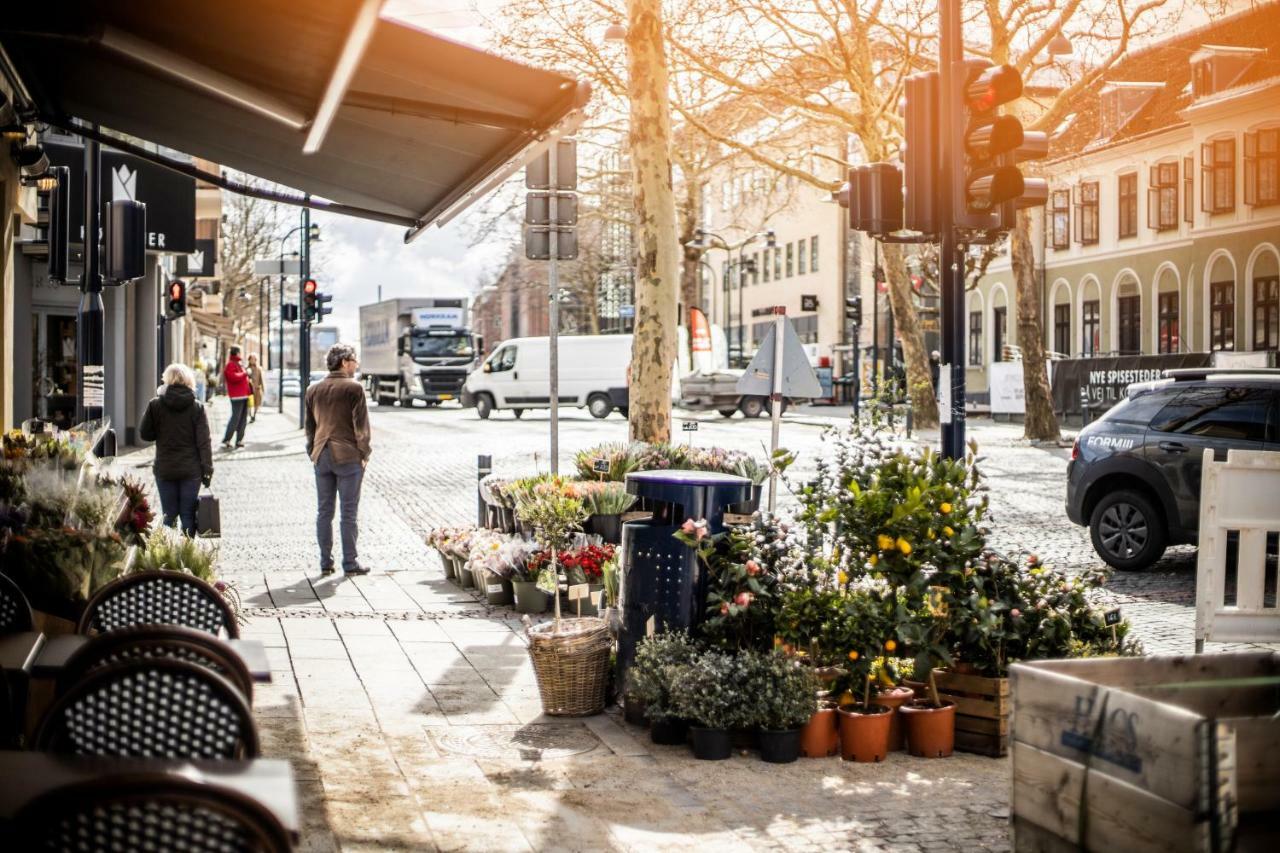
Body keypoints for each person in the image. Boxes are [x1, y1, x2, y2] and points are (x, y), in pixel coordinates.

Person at [305, 343, 372, 576]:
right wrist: (364, 454)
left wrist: (313, 453)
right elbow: (361, 428)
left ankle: (325, 562)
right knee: (349, 512)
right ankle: (350, 563)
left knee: (324, 511)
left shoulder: (313, 390)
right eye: (354, 359)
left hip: (321, 454)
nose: (356, 364)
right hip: (347, 456)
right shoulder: (354, 389)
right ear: (344, 362)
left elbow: (310, 429)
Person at [139, 363, 214, 536]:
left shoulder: (155, 405)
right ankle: (187, 556)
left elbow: (145, 434)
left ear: (166, 380)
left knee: (169, 516)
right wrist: (207, 469)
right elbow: (204, 442)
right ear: (189, 381)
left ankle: (168, 557)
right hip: (191, 470)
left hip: (165, 468)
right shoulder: (197, 407)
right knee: (188, 515)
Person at [221, 346, 251, 449]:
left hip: (244, 395)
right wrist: (245, 373)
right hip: (237, 397)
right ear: (237, 353)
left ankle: (239, 440)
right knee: (235, 418)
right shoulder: (230, 364)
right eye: (240, 352)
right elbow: (233, 377)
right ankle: (227, 439)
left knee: (243, 419)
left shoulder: (239, 364)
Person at [246, 353, 266, 423]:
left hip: (257, 389)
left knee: (257, 404)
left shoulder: (259, 369)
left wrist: (263, 389)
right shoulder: (246, 369)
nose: (252, 360)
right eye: (251, 359)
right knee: (249, 404)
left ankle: (254, 415)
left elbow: (262, 379)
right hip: (249, 390)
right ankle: (250, 415)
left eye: (254, 359)